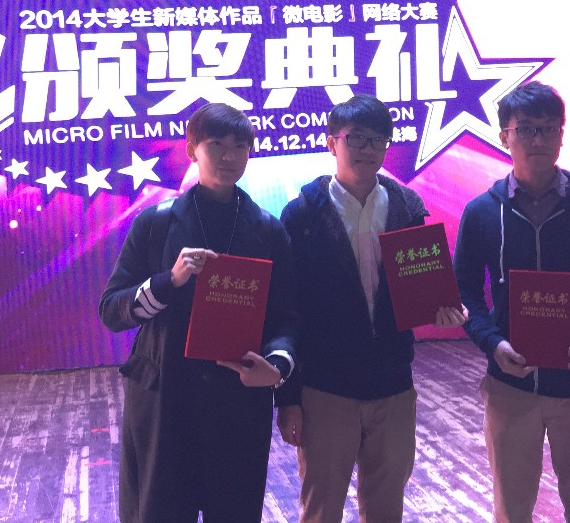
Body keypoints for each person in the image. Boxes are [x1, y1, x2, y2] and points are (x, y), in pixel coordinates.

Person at [453, 81, 570, 523]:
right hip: (511, 388)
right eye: (525, 129)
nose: (537, 139)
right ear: (504, 136)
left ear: (562, 134)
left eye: (547, 128)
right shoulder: (481, 212)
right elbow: (464, 291)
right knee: (511, 511)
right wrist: (492, 344)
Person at [98, 103, 298, 523]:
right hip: (165, 402)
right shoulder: (155, 224)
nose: (229, 156)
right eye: (216, 144)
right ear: (192, 149)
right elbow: (112, 310)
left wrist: (276, 367)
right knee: (159, 513)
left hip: (239, 402)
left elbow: (287, 316)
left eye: (240, 146)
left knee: (236, 512)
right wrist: (168, 281)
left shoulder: (267, 230)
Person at [275, 94, 467, 523]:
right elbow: (286, 310)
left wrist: (444, 309)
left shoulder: (407, 207)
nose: (367, 149)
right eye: (356, 138)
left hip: (393, 385)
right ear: (332, 143)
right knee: (321, 508)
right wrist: (287, 397)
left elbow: (422, 287)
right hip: (325, 389)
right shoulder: (301, 216)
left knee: (386, 507)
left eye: (377, 139)